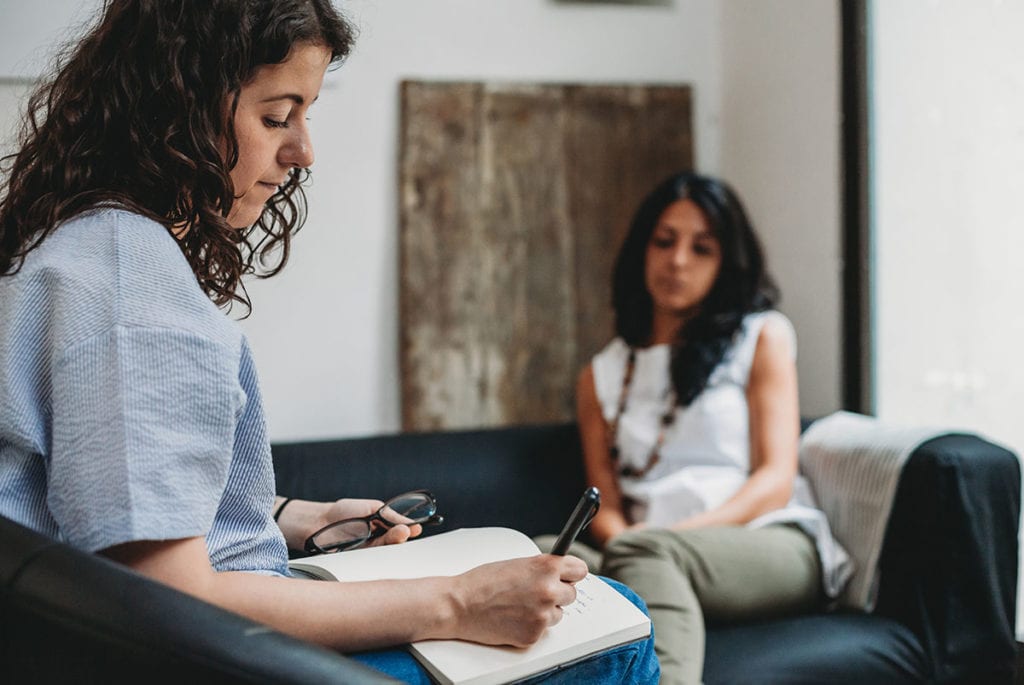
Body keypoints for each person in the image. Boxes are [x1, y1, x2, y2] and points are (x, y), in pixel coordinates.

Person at [0, 2, 658, 683]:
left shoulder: (73, 246)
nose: (303, 151)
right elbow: (171, 599)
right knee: (618, 624)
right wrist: (457, 602)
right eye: (276, 116)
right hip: (225, 657)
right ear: (177, 109)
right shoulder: (135, 291)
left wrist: (301, 517)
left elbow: (103, 503)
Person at [548, 172, 851, 685]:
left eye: (701, 248)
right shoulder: (600, 374)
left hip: (762, 539)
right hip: (645, 548)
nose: (678, 260)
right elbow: (607, 505)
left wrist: (660, 539)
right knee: (533, 554)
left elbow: (775, 479)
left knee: (644, 554)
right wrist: (628, 541)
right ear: (642, 249)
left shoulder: (760, 337)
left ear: (725, 263)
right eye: (664, 241)